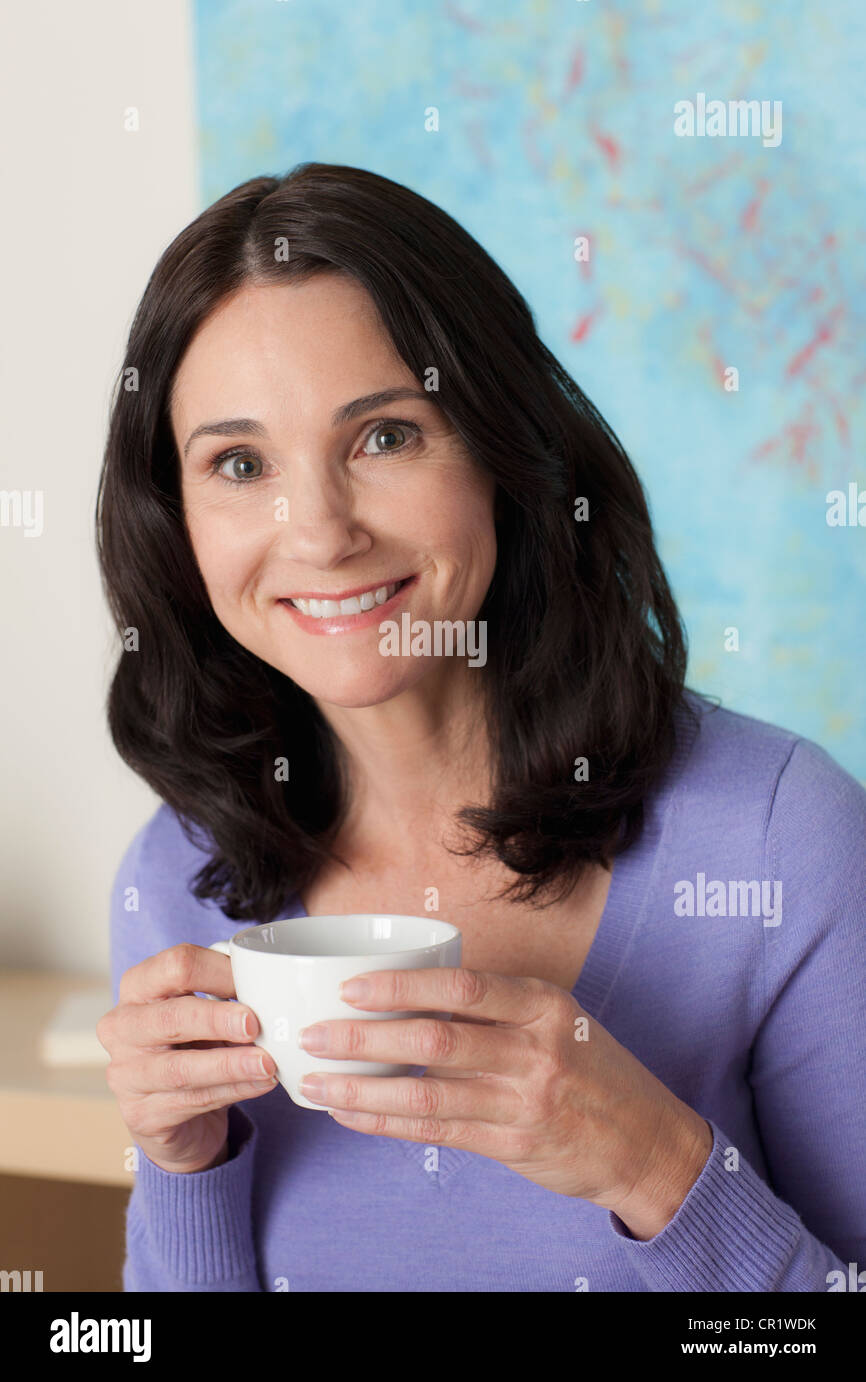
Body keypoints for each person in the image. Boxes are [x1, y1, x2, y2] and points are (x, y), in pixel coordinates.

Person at [96, 162, 866, 1292]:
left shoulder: (774, 836)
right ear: (177, 518)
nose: (315, 531)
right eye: (239, 463)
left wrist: (653, 1165)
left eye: (384, 436)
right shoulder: (179, 876)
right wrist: (184, 1165)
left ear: (500, 450)